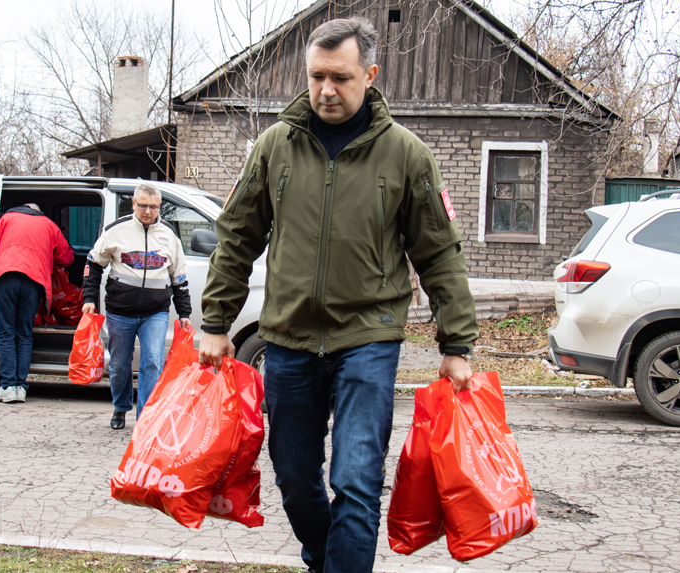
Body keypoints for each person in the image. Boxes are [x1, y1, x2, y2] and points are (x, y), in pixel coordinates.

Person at [198, 17, 479, 573]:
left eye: (341, 77)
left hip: (367, 338)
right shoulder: (275, 146)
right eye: (316, 76)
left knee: (355, 479)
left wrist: (457, 342)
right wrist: (215, 323)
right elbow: (237, 236)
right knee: (295, 476)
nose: (327, 89)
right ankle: (327, 559)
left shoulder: (406, 154)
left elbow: (439, 251)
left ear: (370, 75)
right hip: (287, 337)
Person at [82, 182, 192, 430]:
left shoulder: (169, 237)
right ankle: (120, 407)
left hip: (156, 312)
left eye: (153, 207)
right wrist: (89, 299)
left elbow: (179, 278)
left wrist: (184, 312)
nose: (148, 211)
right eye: (143, 205)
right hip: (120, 311)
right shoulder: (116, 231)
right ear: (133, 204)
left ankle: (145, 418)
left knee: (152, 360)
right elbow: (93, 264)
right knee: (120, 363)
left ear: (159, 206)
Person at [0, 203, 74, 403]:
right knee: (24, 333)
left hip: (5, 277)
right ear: (38, 212)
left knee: (5, 331)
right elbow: (66, 258)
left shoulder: (6, 219)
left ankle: (8, 386)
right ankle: (20, 387)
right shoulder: (49, 224)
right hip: (34, 280)